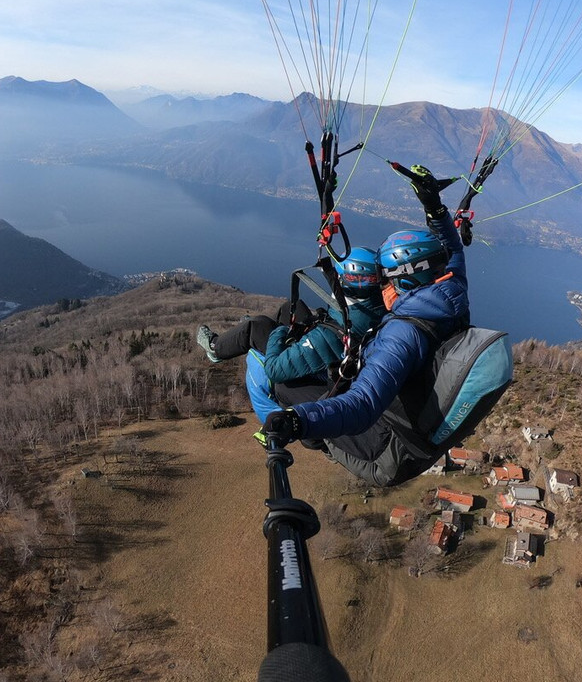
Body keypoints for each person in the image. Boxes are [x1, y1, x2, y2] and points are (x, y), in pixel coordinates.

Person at [260, 166, 472, 486]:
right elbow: (452, 247)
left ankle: (325, 444)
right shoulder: (450, 288)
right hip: (415, 427)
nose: (382, 287)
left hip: (385, 454)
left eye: (388, 280)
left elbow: (362, 407)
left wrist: (297, 421)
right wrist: (434, 206)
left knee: (284, 387)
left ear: (409, 279)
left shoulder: (403, 335)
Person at [195, 248, 385, 393]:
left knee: (256, 326)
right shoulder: (374, 305)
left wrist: (279, 332)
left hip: (320, 367)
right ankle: (252, 334)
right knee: (292, 307)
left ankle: (216, 348)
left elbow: (274, 370)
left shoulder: (337, 324)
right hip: (338, 343)